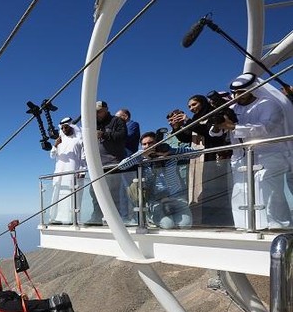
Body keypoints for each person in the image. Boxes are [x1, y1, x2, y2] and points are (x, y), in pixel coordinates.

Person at [211, 73, 293, 230]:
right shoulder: (231, 108)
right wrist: (218, 124)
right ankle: (245, 227)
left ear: (253, 89)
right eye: (235, 93)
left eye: (241, 92)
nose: (237, 96)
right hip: (241, 158)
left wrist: (233, 127)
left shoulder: (269, 104)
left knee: (268, 192)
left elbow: (265, 128)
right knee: (240, 193)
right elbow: (214, 133)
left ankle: (279, 227)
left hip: (269, 155)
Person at [118, 132, 199, 229]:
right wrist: (141, 155)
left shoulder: (170, 154)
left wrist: (171, 152)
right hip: (155, 201)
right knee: (168, 225)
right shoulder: (141, 157)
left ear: (157, 143)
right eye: (144, 144)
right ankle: (150, 217)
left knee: (185, 225)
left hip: (176, 197)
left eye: (151, 143)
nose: (147, 146)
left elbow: (197, 153)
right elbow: (121, 166)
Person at [174, 94, 233, 227]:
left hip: (212, 157)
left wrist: (189, 121)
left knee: (214, 189)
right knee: (199, 190)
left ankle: (219, 221)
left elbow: (208, 132)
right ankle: (202, 221)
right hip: (197, 159)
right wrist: (177, 127)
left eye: (194, 104)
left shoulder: (212, 114)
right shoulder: (195, 118)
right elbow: (186, 138)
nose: (191, 108)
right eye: (189, 106)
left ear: (203, 103)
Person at [86, 100, 127, 225]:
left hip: (113, 162)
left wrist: (104, 134)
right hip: (97, 165)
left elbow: (122, 136)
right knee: (94, 192)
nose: (97, 114)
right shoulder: (94, 123)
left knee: (113, 192)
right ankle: (97, 217)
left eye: (99, 111)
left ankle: (115, 220)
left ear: (106, 109)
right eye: (95, 112)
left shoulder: (116, 121)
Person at [49, 117, 85, 224]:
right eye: (62, 128)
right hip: (59, 173)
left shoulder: (78, 140)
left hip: (73, 173)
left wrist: (82, 171)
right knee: (58, 195)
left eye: (66, 127)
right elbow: (52, 155)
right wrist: (55, 145)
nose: (64, 130)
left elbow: (83, 158)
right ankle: (55, 218)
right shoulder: (59, 141)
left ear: (71, 127)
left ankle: (73, 220)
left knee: (73, 196)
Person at [115, 108, 141, 225]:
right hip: (122, 163)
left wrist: (112, 135)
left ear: (125, 116)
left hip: (130, 162)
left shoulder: (132, 125)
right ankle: (124, 217)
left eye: (117, 117)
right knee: (123, 193)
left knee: (132, 191)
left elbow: (126, 138)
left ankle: (137, 217)